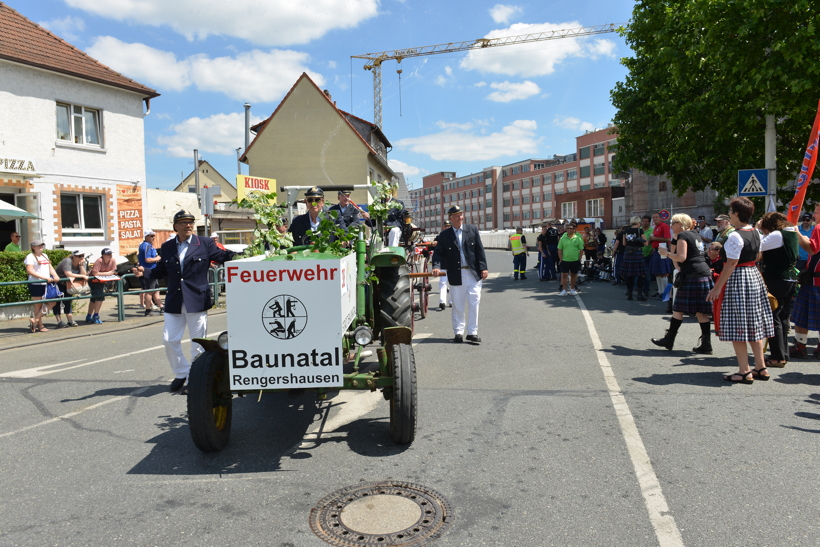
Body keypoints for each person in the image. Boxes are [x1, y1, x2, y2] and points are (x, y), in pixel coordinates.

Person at [151, 210, 236, 392]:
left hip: (197, 299)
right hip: (174, 299)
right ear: (176, 227)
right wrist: (143, 272)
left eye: (190, 222)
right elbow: (161, 270)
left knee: (198, 343)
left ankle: (193, 379)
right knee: (168, 340)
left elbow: (224, 257)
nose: (188, 225)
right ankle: (181, 372)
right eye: (183, 222)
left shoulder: (204, 243)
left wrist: (246, 256)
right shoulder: (167, 247)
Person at [706, 197, 774, 383]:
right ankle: (760, 367)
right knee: (753, 324)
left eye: (730, 211)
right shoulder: (755, 232)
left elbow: (731, 264)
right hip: (753, 276)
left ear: (736, 214)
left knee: (739, 325)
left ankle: (744, 371)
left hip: (738, 278)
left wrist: (717, 288)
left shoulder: (735, 236)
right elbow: (758, 256)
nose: (729, 214)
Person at [651, 214, 713, 352]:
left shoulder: (683, 236)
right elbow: (677, 252)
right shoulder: (694, 234)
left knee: (678, 309)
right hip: (701, 274)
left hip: (692, 276)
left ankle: (669, 340)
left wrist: (666, 253)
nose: (671, 225)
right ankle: (706, 344)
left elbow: (681, 257)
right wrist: (674, 239)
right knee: (701, 312)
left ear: (680, 224)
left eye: (674, 223)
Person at [431, 205, 488, 344]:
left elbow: (479, 250)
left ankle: (472, 332)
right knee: (457, 305)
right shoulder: (445, 235)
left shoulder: (472, 230)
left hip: (473, 273)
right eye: (457, 215)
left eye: (461, 214)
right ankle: (458, 332)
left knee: (475, 302)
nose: (460, 217)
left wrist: (483, 268)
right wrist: (436, 267)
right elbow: (438, 253)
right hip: (456, 273)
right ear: (450, 218)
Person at [757, 212, 798, 368]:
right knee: (782, 318)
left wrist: (758, 230)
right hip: (789, 279)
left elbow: (758, 245)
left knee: (773, 316)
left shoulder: (776, 235)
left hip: (777, 279)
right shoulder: (791, 233)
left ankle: (777, 357)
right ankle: (783, 354)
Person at [789, 203, 820, 359]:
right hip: (815, 280)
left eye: (816, 212)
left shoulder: (819, 228)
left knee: (801, 316)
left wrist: (797, 233)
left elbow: (811, 249)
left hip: (815, 282)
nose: (814, 215)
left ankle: (800, 346)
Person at [24, 240, 59, 332]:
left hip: (46, 284)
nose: (41, 247)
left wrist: (55, 275)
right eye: (38, 245)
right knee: (38, 305)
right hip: (36, 284)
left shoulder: (45, 255)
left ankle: (35, 320)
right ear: (33, 247)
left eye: (42, 245)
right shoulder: (30, 257)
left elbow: (50, 267)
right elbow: (30, 271)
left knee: (52, 302)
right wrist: (44, 277)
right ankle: (40, 326)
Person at [615, 216, 647, 301]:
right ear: (638, 222)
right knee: (640, 275)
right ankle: (639, 295)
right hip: (637, 253)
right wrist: (639, 240)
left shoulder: (626, 231)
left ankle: (629, 294)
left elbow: (624, 244)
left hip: (627, 254)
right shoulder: (640, 230)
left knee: (629, 275)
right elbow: (646, 243)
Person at [54, 250, 87, 328]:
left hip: (69, 284)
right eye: (79, 256)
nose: (81, 258)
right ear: (74, 257)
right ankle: (59, 321)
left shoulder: (81, 263)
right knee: (57, 302)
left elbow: (84, 274)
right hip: (60, 283)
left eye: (83, 255)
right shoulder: (67, 261)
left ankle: (70, 320)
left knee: (68, 301)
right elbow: (68, 274)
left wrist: (82, 265)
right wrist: (81, 276)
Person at [88, 248, 118, 324]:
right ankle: (96, 315)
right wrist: (107, 273)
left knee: (94, 299)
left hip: (103, 281)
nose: (110, 256)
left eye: (110, 254)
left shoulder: (113, 260)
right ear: (103, 255)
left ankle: (89, 316)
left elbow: (113, 271)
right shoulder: (99, 261)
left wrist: (109, 273)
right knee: (100, 297)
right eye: (108, 254)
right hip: (94, 280)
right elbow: (95, 273)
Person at [647, 212, 673, 298]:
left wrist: (654, 238)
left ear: (660, 218)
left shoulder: (664, 226)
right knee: (657, 273)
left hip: (662, 250)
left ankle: (665, 293)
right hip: (656, 251)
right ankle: (660, 291)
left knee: (663, 272)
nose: (654, 219)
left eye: (656, 217)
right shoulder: (655, 227)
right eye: (653, 217)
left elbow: (668, 239)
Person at [137, 230, 163, 316]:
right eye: (151, 236)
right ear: (146, 236)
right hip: (149, 271)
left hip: (152, 270)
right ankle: (148, 310)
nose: (153, 238)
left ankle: (161, 307)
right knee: (149, 291)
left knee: (156, 290)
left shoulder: (147, 245)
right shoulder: (146, 246)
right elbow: (147, 259)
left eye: (154, 236)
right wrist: (158, 258)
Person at [557, 222, 584, 296]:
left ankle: (572, 289)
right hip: (565, 260)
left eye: (571, 228)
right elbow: (559, 249)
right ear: (566, 229)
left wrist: (579, 259)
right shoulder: (563, 238)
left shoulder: (578, 238)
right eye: (568, 228)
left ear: (574, 229)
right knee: (564, 275)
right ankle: (564, 290)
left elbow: (581, 249)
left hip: (575, 260)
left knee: (573, 275)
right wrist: (561, 260)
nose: (569, 230)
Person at [433, 219, 452, 309]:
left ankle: (451, 301)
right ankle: (442, 301)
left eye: (448, 226)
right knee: (443, 282)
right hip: (443, 263)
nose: (447, 228)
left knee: (453, 283)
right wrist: (434, 243)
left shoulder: (455, 235)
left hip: (453, 263)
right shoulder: (440, 236)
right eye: (445, 226)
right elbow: (435, 246)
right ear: (443, 227)